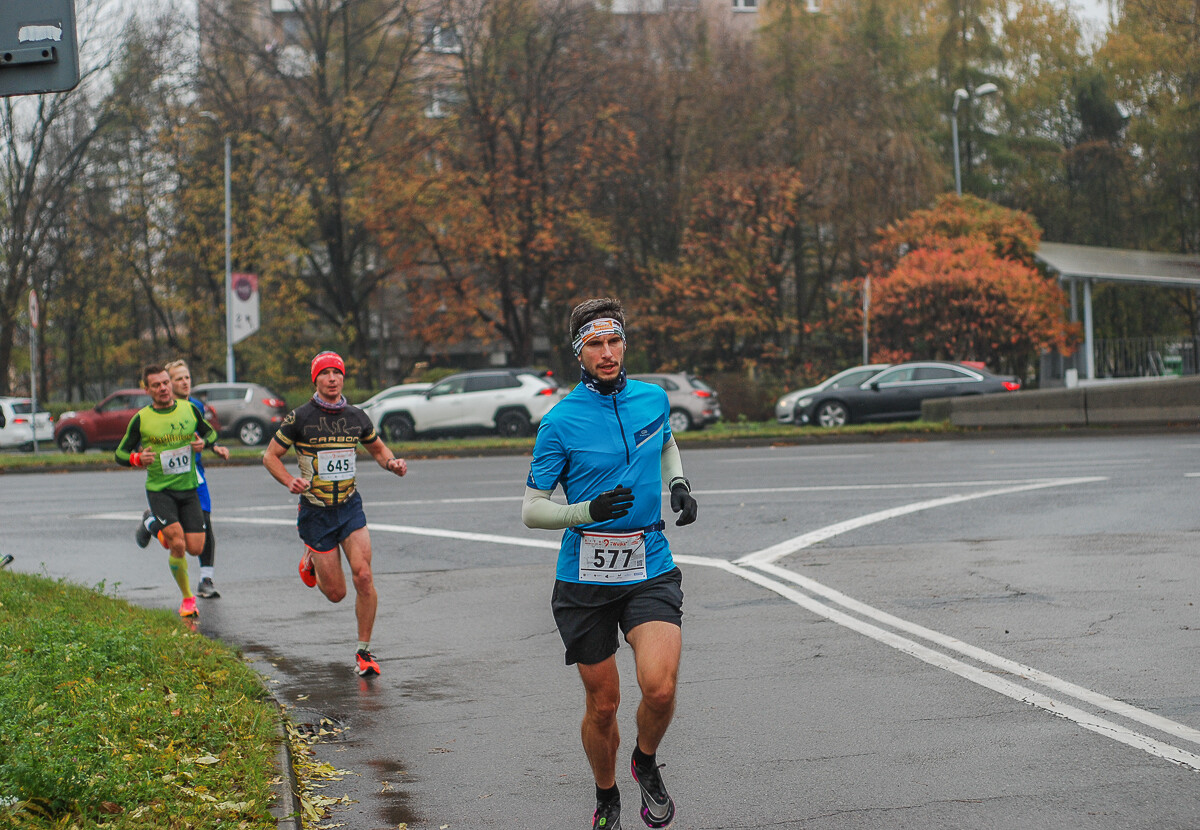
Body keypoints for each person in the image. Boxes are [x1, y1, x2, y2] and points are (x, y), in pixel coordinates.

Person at [522, 298, 698, 830]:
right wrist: (586, 511)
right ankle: (607, 797)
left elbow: (665, 444)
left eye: (614, 341)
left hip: (649, 561)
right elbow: (532, 510)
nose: (607, 352)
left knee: (660, 688)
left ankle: (644, 761)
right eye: (595, 344)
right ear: (579, 353)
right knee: (603, 705)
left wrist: (678, 483)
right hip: (585, 577)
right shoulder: (559, 422)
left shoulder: (652, 398)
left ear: (624, 343)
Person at [263, 350, 408, 678]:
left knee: (364, 576)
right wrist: (289, 480)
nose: (332, 379)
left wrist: (392, 463)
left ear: (343, 377)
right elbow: (270, 456)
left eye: (337, 373)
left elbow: (378, 448)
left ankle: (364, 652)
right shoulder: (300, 418)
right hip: (315, 513)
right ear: (315, 379)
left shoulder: (357, 416)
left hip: (349, 507)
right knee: (336, 594)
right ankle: (311, 559)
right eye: (325, 373)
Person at [116, 364, 231, 618]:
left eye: (165, 382)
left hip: (189, 489)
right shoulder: (142, 418)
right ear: (147, 390)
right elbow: (120, 453)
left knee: (195, 547)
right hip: (160, 491)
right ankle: (188, 599)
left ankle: (151, 523)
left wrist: (206, 443)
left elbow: (210, 433)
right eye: (156, 385)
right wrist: (136, 458)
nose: (163, 388)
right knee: (177, 544)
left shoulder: (189, 409)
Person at [135, 360, 222, 599]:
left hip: (195, 475)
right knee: (174, 540)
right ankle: (151, 522)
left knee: (204, 523)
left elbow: (205, 433)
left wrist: (214, 446)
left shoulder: (195, 406)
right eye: (178, 379)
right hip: (166, 482)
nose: (185, 382)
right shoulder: (153, 412)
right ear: (167, 384)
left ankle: (206, 579)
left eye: (187, 377)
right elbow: (137, 444)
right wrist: (141, 456)